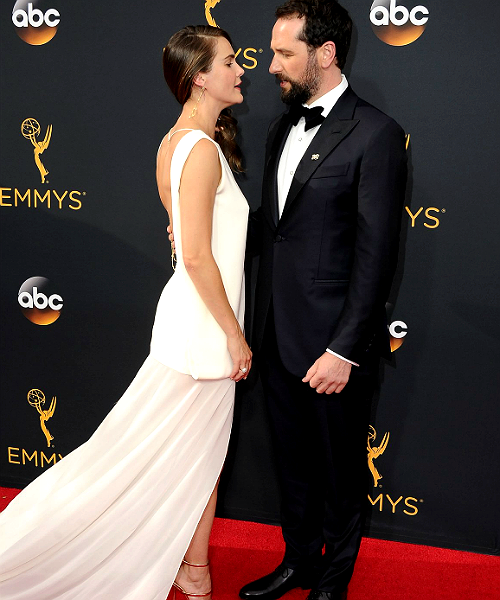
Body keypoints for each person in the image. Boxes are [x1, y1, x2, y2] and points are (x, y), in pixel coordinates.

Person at [0, 25, 251, 600]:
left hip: (190, 319)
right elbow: (193, 255)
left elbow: (186, 240)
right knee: (172, 456)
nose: (241, 70)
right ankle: (186, 568)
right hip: (206, 328)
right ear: (199, 78)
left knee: (187, 454)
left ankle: (193, 568)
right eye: (231, 62)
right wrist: (235, 337)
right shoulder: (203, 150)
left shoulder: (173, 142)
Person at [239, 2, 407, 600]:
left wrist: (344, 348)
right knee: (293, 470)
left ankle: (332, 584)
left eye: (285, 54)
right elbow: (278, 228)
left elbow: (377, 255)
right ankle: (298, 563)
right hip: (276, 332)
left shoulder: (376, 134)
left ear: (326, 54)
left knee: (338, 476)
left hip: (332, 345)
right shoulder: (282, 127)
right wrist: (202, 230)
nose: (271, 66)